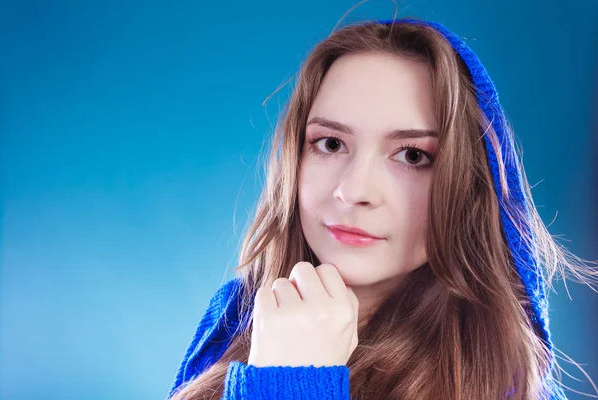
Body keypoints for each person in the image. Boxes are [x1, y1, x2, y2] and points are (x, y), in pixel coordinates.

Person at [166, 17, 598, 400]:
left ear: (468, 186)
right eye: (331, 144)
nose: (354, 191)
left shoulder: (503, 381)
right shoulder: (235, 316)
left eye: (412, 155)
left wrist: (288, 382)